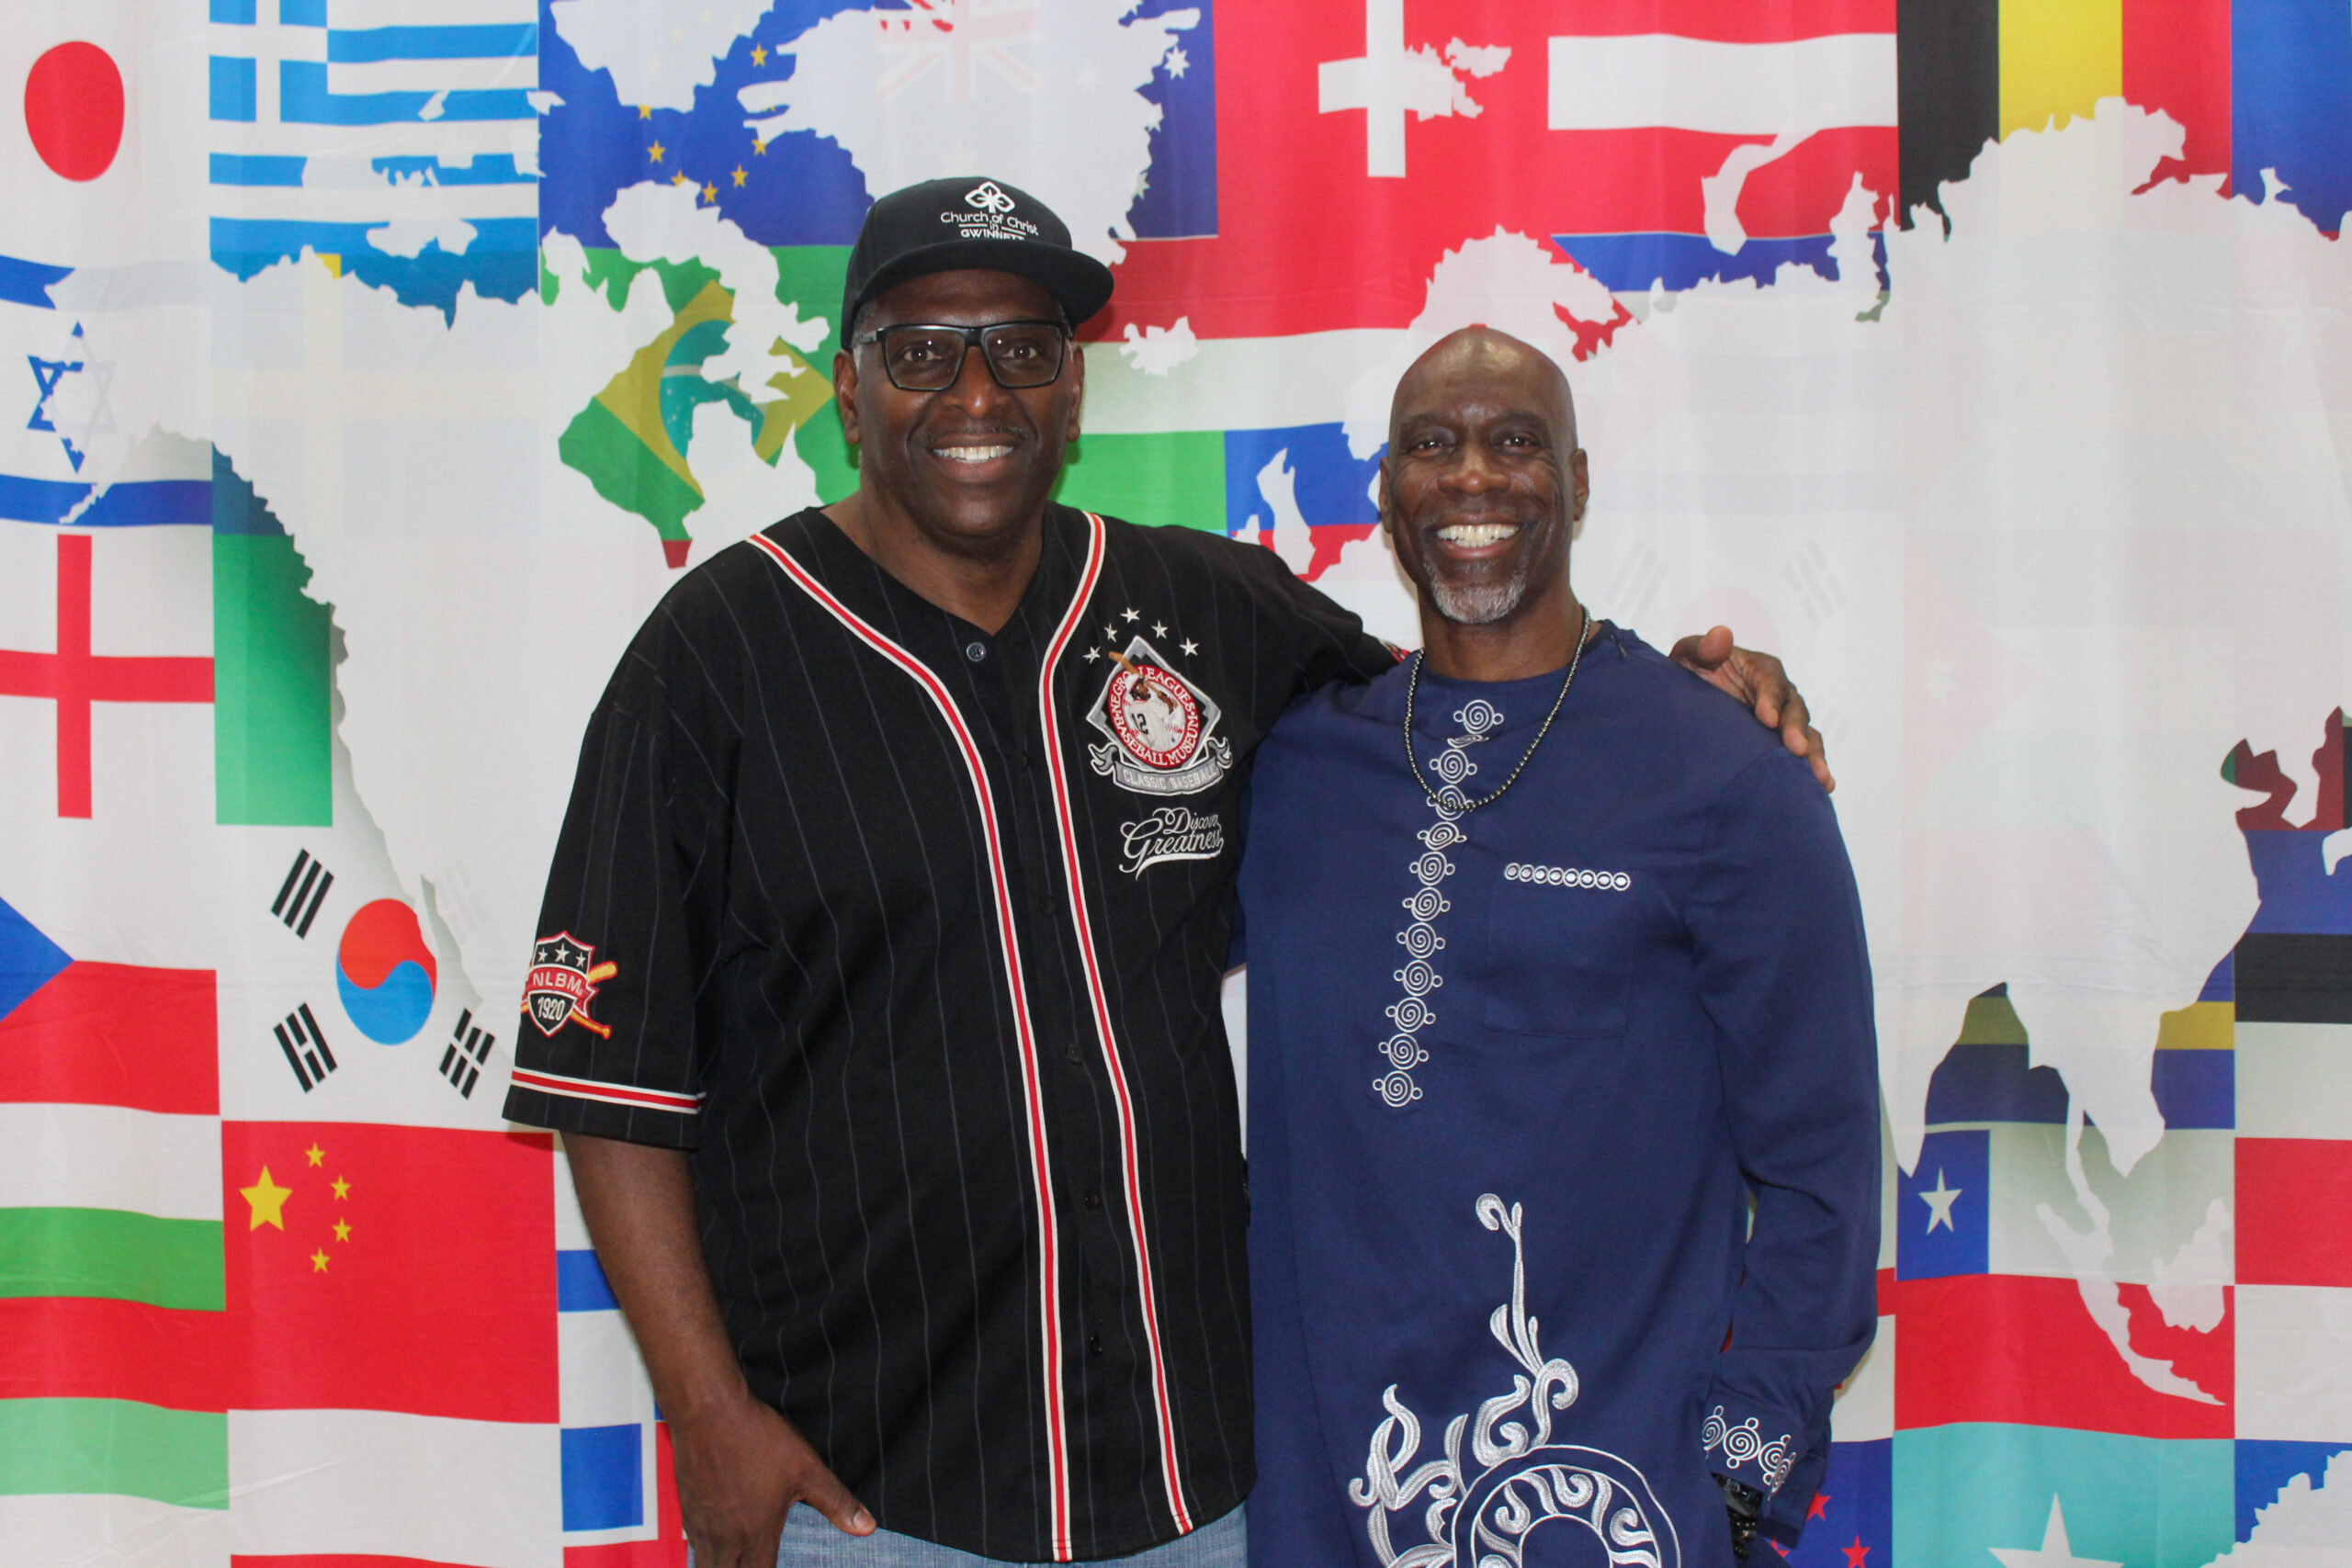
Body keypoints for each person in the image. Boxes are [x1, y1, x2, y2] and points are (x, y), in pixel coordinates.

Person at [503, 178, 1828, 1568]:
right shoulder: (714, 659)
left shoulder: (1207, 611)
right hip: (870, 1493)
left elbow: (1476, 713)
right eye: (923, 350)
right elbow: (610, 1081)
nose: (976, 391)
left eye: (1023, 347)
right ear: (849, 389)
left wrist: (1687, 700)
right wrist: (707, 1412)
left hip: (1197, 1487)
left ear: (1071, 389)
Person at [1237, 328, 1880, 1565]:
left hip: (1606, 1507)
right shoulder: (1298, 769)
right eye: (1433, 444)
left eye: (1517, 442)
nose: (1473, 475)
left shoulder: (1724, 776)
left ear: (1578, 484)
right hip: (1314, 1509)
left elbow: (1827, 1176)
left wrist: (1734, 1485)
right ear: (1387, 492)